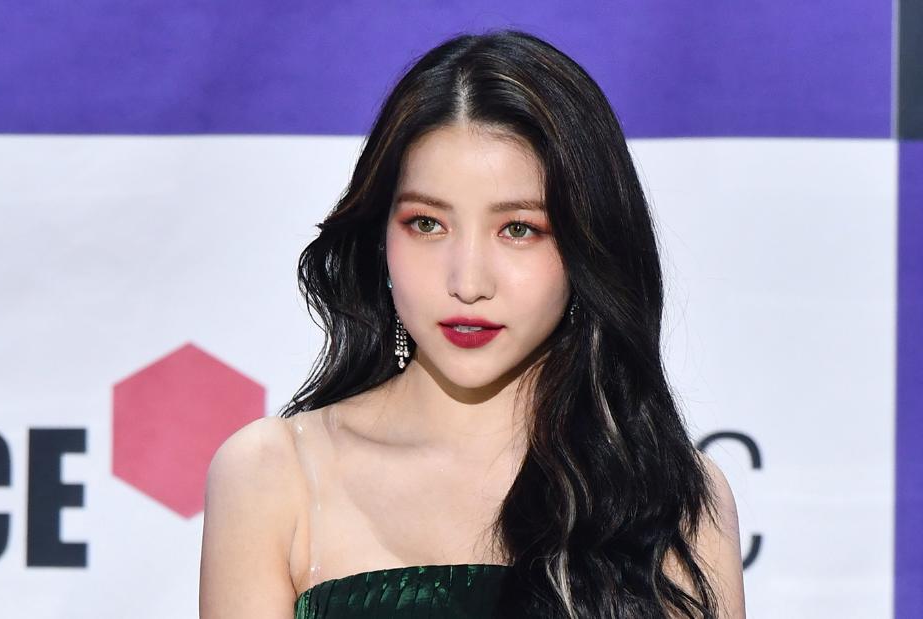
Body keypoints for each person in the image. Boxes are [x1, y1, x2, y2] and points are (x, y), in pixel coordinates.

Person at [199, 28, 746, 619]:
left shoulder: (673, 498)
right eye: (427, 224)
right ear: (380, 237)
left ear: (587, 247)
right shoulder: (274, 474)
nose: (467, 281)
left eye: (519, 229)